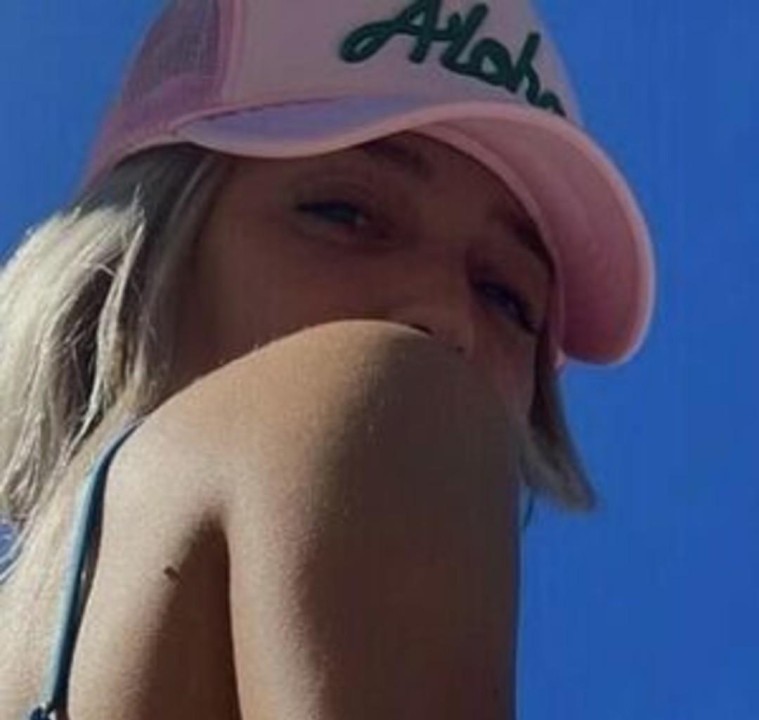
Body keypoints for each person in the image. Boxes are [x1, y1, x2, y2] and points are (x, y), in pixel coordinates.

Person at [0, 0, 655, 718]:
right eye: (344, 213)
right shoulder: (396, 393)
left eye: (505, 295)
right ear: (144, 250)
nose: (446, 314)